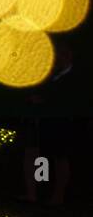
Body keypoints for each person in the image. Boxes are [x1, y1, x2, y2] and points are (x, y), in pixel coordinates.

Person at [21, 43, 83, 205]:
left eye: (62, 54)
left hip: (60, 124)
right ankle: (37, 194)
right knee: (42, 158)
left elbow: (70, 101)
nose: (58, 58)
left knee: (58, 158)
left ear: (69, 56)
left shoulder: (73, 78)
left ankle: (57, 197)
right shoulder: (53, 75)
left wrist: (44, 101)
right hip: (43, 123)